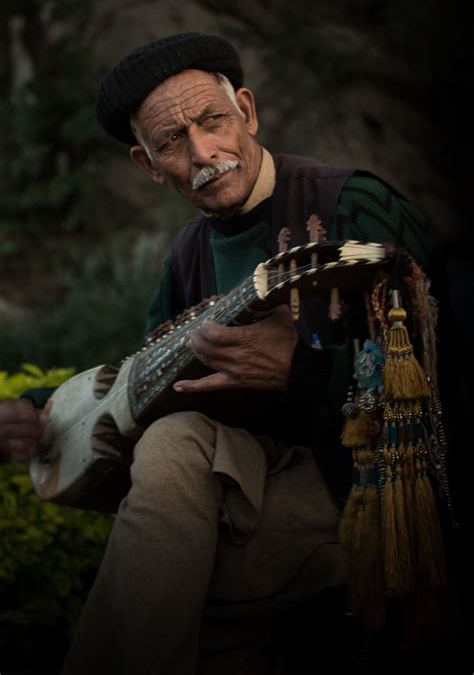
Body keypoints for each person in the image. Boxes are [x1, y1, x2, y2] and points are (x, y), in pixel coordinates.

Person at [0, 33, 444, 674]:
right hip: (255, 481)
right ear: (148, 164)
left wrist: (302, 372)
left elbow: (449, 373)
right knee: (172, 436)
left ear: (247, 110)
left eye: (211, 120)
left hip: (367, 484)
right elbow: (146, 372)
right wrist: (40, 412)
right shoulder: (187, 254)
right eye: (173, 141)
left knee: (171, 573)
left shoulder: (355, 204)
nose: (204, 152)